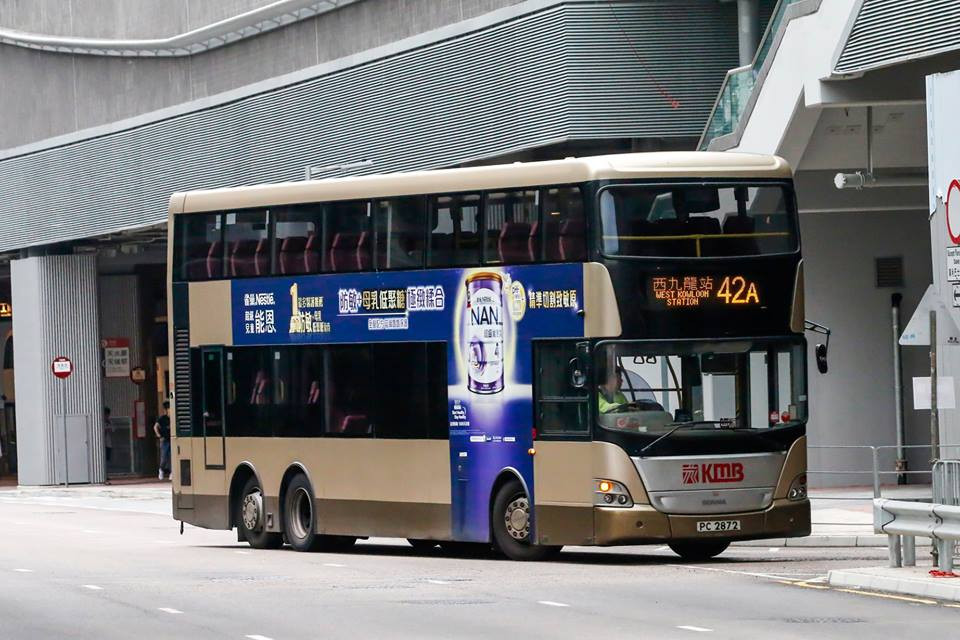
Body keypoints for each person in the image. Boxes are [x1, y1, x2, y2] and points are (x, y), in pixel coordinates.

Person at [154, 401, 171, 480]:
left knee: (171, 457)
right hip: (164, 440)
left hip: (171, 440)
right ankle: (161, 470)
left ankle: (172, 472)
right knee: (164, 456)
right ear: (166, 410)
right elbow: (155, 427)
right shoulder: (162, 418)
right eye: (169, 409)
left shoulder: (173, 418)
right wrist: (159, 435)